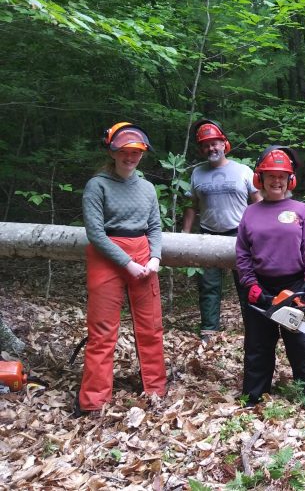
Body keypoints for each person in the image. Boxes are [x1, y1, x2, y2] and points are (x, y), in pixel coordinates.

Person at [77, 122, 167, 416]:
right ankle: (93, 401)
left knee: (150, 326)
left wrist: (154, 258)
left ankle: (155, 389)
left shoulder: (147, 188)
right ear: (113, 152)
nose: (130, 157)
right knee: (102, 331)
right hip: (107, 256)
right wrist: (126, 262)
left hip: (142, 253)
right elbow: (96, 233)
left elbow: (155, 226)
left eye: (136, 152)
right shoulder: (97, 185)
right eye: (125, 152)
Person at [235, 145, 305, 415]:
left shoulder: (300, 210)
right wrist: (251, 286)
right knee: (258, 345)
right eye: (271, 176)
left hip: (294, 284)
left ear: (290, 180)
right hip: (261, 286)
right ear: (259, 179)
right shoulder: (250, 213)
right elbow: (242, 254)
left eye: (282, 176)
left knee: (302, 345)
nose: (276, 181)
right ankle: (253, 396)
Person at [182, 119, 262, 341]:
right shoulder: (197, 174)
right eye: (206, 145)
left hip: (240, 235)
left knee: (247, 283)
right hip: (208, 234)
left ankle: (254, 327)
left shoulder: (243, 170)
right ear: (201, 149)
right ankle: (209, 329)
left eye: (215, 143)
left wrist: (260, 231)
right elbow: (191, 206)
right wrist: (185, 235)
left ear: (224, 144)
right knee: (208, 285)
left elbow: (257, 202)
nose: (211, 148)